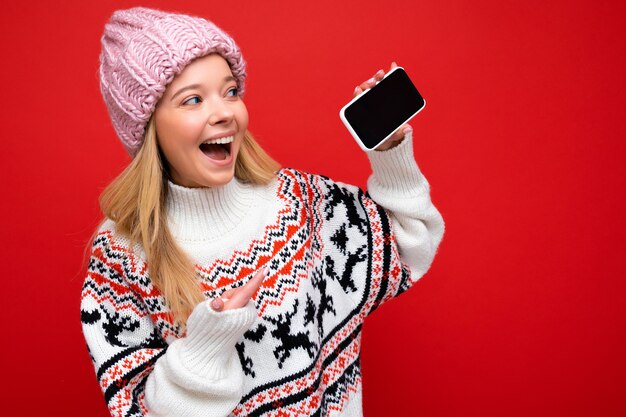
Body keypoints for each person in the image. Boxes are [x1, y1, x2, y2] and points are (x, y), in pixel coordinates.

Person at [80, 6, 444, 417]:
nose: (224, 113)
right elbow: (136, 409)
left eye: (231, 91)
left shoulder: (297, 203)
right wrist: (204, 348)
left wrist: (389, 153)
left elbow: (407, 245)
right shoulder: (121, 255)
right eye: (193, 99)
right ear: (148, 128)